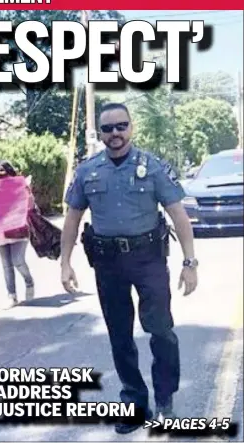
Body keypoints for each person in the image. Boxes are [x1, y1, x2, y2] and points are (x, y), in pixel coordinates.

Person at [61, 103, 198, 434]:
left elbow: (178, 214)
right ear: (101, 135)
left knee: (161, 331)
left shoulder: (152, 167)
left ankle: (164, 399)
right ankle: (134, 401)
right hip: (108, 264)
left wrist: (189, 262)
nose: (114, 134)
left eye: (120, 126)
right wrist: (65, 262)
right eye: (107, 129)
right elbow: (73, 217)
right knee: (119, 336)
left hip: (148, 260)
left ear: (131, 127)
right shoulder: (87, 171)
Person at [0, 160, 35, 308]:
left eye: (2, 170)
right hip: (1, 232)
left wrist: (26, 192)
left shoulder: (20, 186)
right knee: (6, 266)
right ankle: (12, 296)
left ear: (9, 171)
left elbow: (30, 205)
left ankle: (29, 282)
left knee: (18, 260)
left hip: (19, 230)